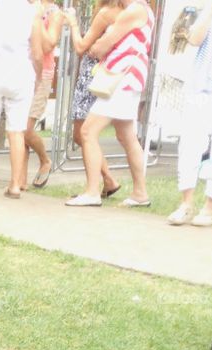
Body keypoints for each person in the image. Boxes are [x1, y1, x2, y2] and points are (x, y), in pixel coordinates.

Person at [64, 0, 154, 206]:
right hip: (129, 78)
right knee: (127, 136)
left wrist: (99, 45)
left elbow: (100, 46)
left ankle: (92, 192)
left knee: (87, 132)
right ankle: (140, 193)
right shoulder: (144, 10)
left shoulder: (133, 11)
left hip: (120, 78)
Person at [0, 0, 44, 197]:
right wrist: (37, 77)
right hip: (19, 74)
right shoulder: (31, 13)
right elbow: (37, 53)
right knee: (16, 132)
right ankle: (14, 185)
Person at [62, 0, 128, 198]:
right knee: (87, 133)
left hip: (93, 75)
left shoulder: (107, 13)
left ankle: (100, 184)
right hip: (109, 74)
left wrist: (73, 23)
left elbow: (81, 46)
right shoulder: (126, 12)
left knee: (83, 133)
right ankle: (107, 180)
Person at [166, 0, 212, 225]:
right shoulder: (210, 12)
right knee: (189, 145)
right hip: (200, 88)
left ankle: (209, 206)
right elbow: (195, 39)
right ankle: (186, 203)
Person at [24, 0, 64, 187]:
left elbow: (48, 45)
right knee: (17, 130)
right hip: (20, 71)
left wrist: (38, 18)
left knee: (26, 128)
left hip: (42, 74)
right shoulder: (25, 6)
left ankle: (44, 160)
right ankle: (19, 179)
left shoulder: (54, 12)